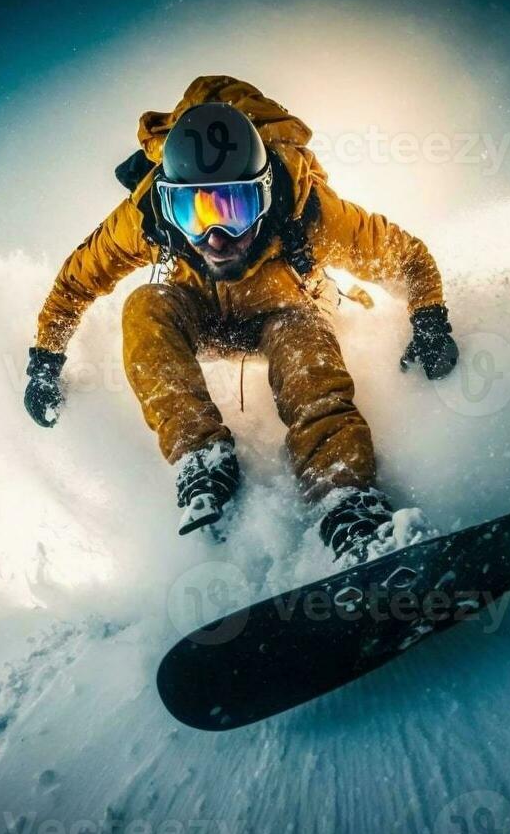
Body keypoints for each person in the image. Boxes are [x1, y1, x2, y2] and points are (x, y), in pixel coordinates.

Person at [24, 76, 457, 563]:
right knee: (144, 305)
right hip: (200, 316)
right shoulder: (144, 217)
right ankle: (202, 459)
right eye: (192, 212)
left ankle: (347, 503)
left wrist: (429, 317)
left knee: (303, 338)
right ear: (168, 202)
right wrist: (45, 357)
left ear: (267, 192)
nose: (215, 237)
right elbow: (76, 281)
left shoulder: (308, 210)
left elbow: (405, 257)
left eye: (235, 206)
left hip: (282, 312)